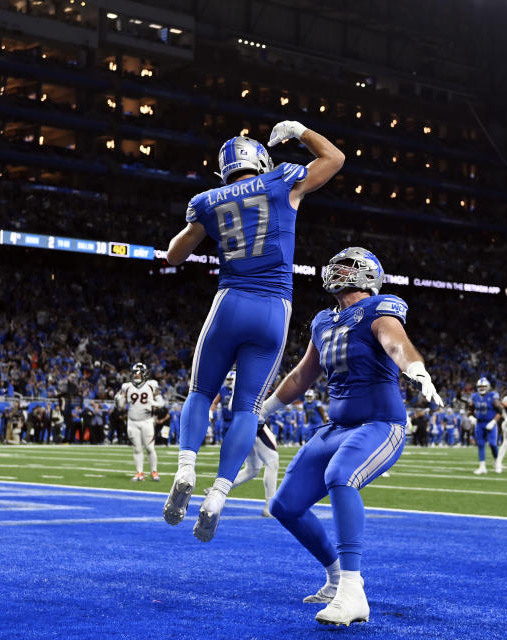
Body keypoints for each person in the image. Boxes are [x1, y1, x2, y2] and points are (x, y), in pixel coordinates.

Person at [162, 120, 345, 539]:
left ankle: (187, 469)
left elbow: (173, 256)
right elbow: (335, 159)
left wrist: (205, 221)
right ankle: (219, 495)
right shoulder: (282, 181)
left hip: (231, 301)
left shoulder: (208, 199)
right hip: (273, 309)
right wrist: (300, 131)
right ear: (260, 160)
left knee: (201, 392)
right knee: (246, 409)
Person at [260, 247, 443, 626]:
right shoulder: (324, 321)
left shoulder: (379, 307)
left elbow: (395, 342)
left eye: (347, 266)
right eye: (336, 265)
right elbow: (301, 376)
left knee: (341, 476)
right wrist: (261, 411)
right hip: (337, 428)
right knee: (285, 506)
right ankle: (334, 576)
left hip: (379, 424)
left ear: (368, 274)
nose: (337, 271)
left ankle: (353, 590)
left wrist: (417, 369)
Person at [212, 418, 280, 518]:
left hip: (242, 427)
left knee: (252, 470)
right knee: (272, 462)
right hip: (255, 426)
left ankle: (215, 491)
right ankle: (269, 506)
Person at [116, 363, 164, 481]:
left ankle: (154, 471)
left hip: (147, 421)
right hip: (132, 421)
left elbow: (161, 402)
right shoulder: (126, 386)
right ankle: (139, 473)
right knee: (137, 449)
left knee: (149, 448)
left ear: (144, 373)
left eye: (138, 373)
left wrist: (154, 404)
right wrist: (119, 399)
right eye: (134, 373)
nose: (136, 375)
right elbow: (121, 406)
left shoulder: (151, 385)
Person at [469, 377, 502, 475]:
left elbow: (500, 411)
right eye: (480, 386)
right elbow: (470, 409)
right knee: (480, 444)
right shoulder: (475, 396)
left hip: (490, 422)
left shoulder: (492, 396)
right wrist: (471, 417)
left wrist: (493, 422)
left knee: (493, 444)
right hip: (479, 423)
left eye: (483, 386)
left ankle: (497, 463)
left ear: (488, 387)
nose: (482, 388)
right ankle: (482, 467)